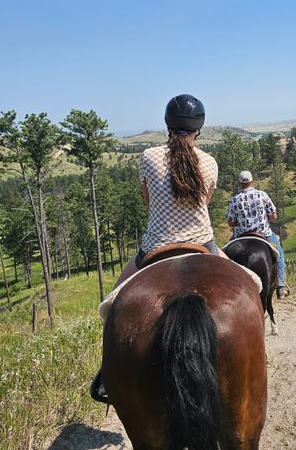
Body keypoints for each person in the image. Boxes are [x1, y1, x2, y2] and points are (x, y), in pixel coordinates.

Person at [91, 93, 222, 403]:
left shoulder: (149, 156)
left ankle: (108, 373)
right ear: (198, 128)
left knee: (111, 306)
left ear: (168, 124)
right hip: (202, 242)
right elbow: (206, 202)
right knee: (251, 282)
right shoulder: (210, 162)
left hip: (156, 246)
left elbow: (148, 202)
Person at [226, 170, 290, 297]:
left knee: (226, 255)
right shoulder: (262, 195)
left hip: (241, 235)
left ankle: (227, 286)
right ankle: (281, 286)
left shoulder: (234, 200)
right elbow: (273, 216)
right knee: (280, 253)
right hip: (263, 233)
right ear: (252, 181)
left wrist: (241, 221)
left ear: (240, 183)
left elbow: (231, 223)